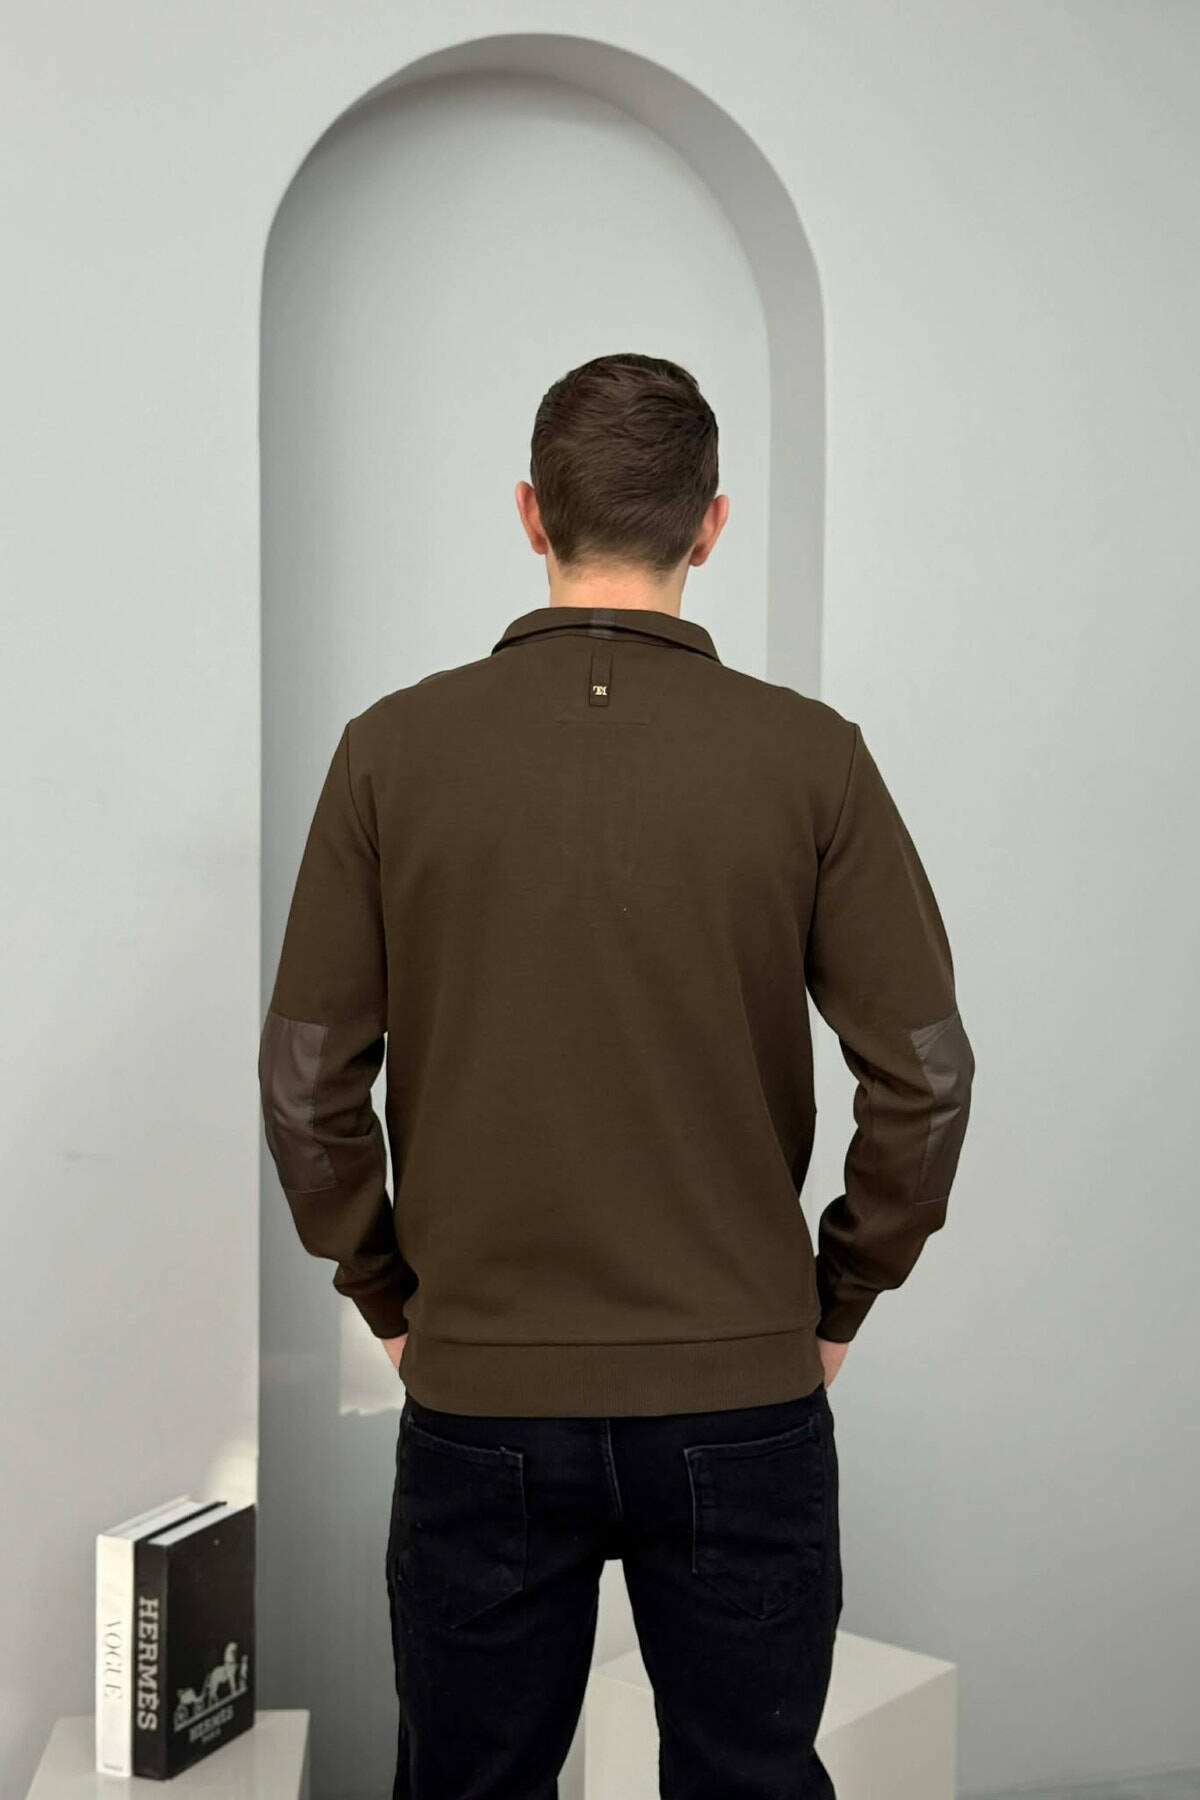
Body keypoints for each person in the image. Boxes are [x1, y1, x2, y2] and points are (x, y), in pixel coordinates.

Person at [258, 351, 975, 1800]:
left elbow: (307, 1078)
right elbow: (926, 1076)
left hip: (479, 1393)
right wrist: (837, 1298)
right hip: (742, 1390)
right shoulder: (812, 759)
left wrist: (387, 1297)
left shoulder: (389, 753)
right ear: (710, 526)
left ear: (532, 512)